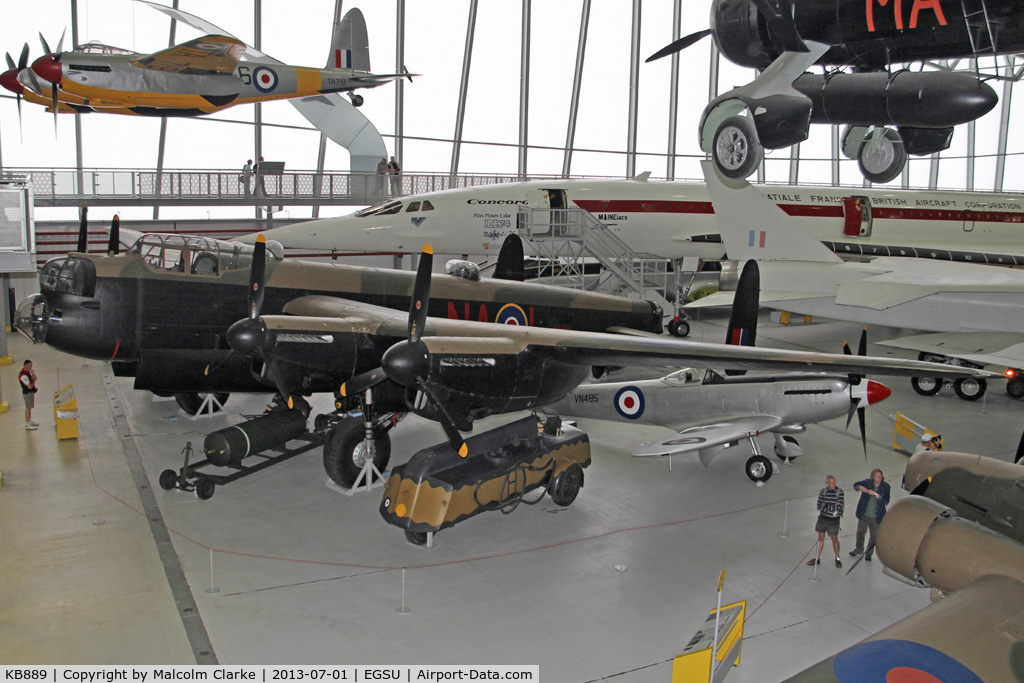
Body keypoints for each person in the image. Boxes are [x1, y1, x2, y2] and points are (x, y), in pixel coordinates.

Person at [850, 469, 890, 562]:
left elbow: (886, 501)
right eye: (877, 476)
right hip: (864, 515)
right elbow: (856, 484)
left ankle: (869, 553)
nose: (879, 478)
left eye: (880, 476)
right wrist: (860, 487)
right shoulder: (867, 482)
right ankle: (859, 549)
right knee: (860, 533)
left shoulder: (886, 487)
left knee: (874, 536)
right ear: (872, 477)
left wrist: (876, 494)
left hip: (876, 517)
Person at [809, 474, 845, 568]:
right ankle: (817, 558)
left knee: (834, 539)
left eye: (834, 482)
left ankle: (837, 558)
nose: (834, 485)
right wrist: (832, 506)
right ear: (827, 483)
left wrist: (826, 505)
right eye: (831, 483)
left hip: (833, 520)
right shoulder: (823, 492)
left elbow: (839, 507)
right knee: (820, 538)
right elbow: (819, 506)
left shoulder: (839, 492)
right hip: (823, 519)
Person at [19, 359, 39, 430]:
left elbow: (35, 378)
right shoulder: (23, 375)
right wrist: (33, 382)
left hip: (30, 392)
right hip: (27, 393)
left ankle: (29, 420)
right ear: (25, 365)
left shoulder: (28, 372)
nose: (31, 367)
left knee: (30, 407)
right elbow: (29, 386)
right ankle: (27, 424)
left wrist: (33, 374)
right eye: (30, 365)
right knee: (27, 408)